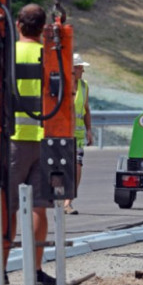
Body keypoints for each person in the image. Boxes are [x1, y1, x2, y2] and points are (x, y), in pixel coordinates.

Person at [0, 3, 56, 285]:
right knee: (39, 207)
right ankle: (34, 271)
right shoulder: (50, 56)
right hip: (45, 140)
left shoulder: (6, 55)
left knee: (7, 206)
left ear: (19, 26)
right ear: (43, 28)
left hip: (13, 141)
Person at [63, 53, 93, 215]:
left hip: (78, 137)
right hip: (60, 135)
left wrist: (89, 130)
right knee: (60, 168)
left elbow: (86, 109)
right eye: (80, 67)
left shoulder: (84, 86)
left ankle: (68, 201)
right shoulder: (60, 85)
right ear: (72, 69)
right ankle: (58, 198)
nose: (83, 71)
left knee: (76, 166)